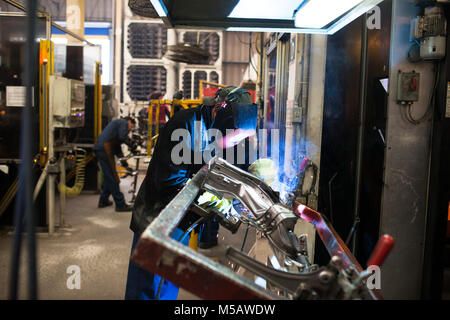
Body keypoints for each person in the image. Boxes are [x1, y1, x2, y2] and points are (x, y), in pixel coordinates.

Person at [124, 87, 257, 300]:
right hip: (158, 218)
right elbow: (173, 182)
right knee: (148, 288)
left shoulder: (212, 127)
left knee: (168, 285)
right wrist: (217, 202)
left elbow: (213, 167)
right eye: (234, 137)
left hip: (181, 221)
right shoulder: (185, 126)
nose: (235, 143)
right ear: (218, 111)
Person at [93, 117, 136, 212]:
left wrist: (125, 164)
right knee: (113, 177)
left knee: (109, 176)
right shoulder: (123, 122)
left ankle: (103, 200)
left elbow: (117, 148)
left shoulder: (116, 126)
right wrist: (132, 144)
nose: (129, 130)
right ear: (129, 121)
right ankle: (120, 204)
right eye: (130, 127)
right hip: (104, 149)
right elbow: (122, 137)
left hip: (103, 149)